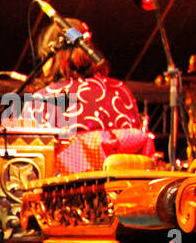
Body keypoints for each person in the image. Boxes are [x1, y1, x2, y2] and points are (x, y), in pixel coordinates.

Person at [23, 15, 155, 174]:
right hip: (125, 192)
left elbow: (28, 166)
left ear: (52, 56)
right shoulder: (120, 91)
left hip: (66, 194)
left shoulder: (44, 101)